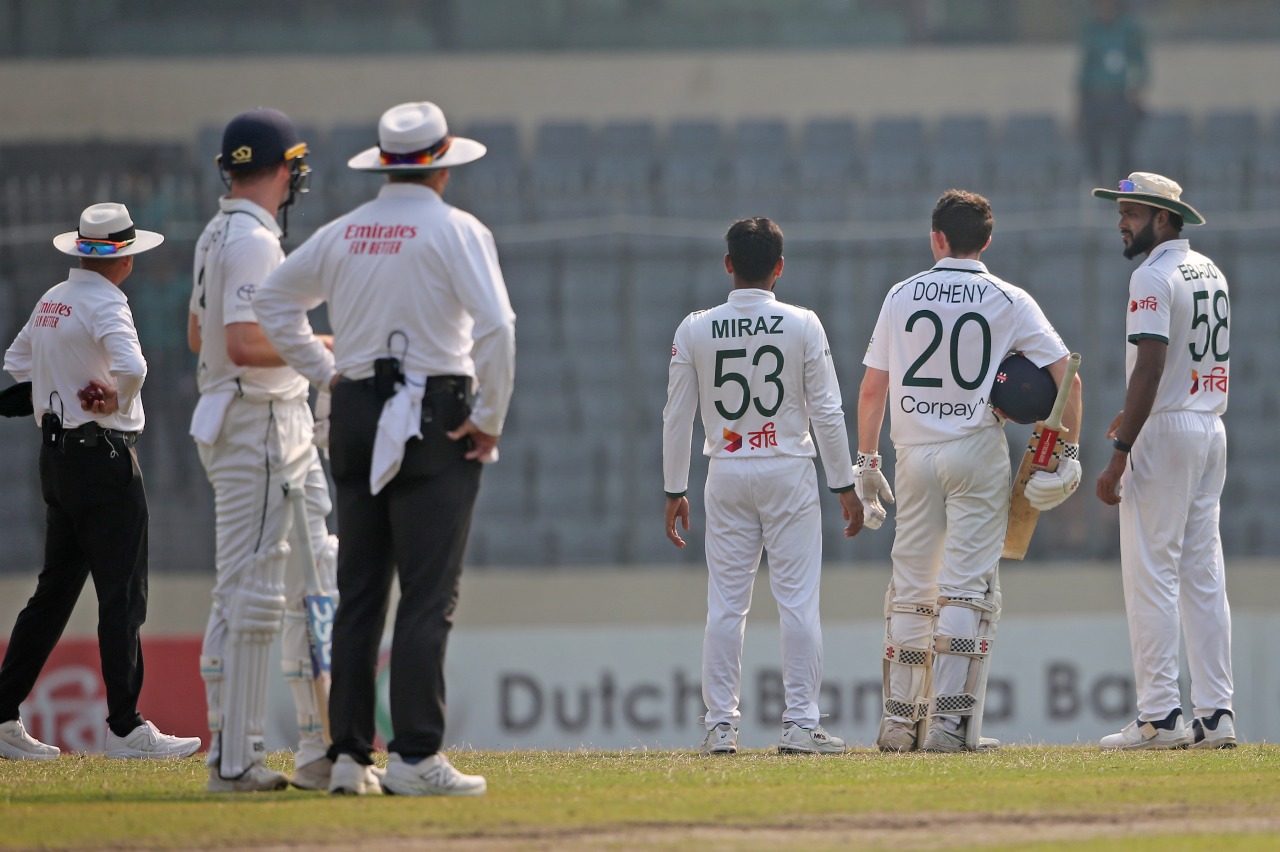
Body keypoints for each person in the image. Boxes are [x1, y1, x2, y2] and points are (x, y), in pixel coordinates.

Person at [254, 101, 515, 796]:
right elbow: (497, 329)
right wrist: (489, 417)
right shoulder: (457, 230)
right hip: (434, 411)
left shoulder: (345, 231)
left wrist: (322, 370)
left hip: (356, 408)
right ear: (441, 167)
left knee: (360, 590)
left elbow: (275, 301)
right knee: (429, 594)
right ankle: (415, 755)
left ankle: (346, 755)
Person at [856, 189, 1083, 753]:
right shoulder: (1009, 297)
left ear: (936, 238)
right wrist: (1066, 454)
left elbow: (871, 389)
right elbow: (1068, 379)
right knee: (963, 592)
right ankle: (948, 727)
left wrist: (866, 463)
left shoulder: (901, 295)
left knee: (911, 590)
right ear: (986, 241)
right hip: (977, 447)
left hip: (912, 455)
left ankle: (899, 722)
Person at [0, 203, 201, 761]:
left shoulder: (52, 300)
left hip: (58, 462)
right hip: (104, 459)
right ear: (126, 258)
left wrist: (60, 385)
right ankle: (125, 727)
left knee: (53, 595)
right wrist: (116, 395)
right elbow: (134, 368)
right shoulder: (108, 302)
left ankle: (1, 711)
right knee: (122, 596)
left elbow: (17, 362)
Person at [663, 216, 863, 757]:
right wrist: (844, 483)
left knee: (727, 606)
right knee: (797, 603)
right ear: (779, 267)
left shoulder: (694, 327)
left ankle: (719, 727)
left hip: (725, 467)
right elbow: (826, 410)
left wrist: (673, 488)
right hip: (787, 467)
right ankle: (800, 725)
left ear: (728, 264)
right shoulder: (802, 324)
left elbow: (676, 417)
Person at [188, 108, 339, 792]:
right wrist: (325, 348)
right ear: (283, 170)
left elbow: (201, 336)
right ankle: (235, 757)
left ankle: (321, 745)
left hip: (270, 420)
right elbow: (244, 344)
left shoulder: (219, 232)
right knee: (252, 590)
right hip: (259, 422)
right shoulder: (250, 240)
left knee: (313, 578)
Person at [1092, 173, 1235, 750]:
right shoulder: (1212, 272)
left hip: (1166, 432)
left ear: (1165, 218)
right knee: (1203, 573)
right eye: (1122, 210)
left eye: (1132, 211)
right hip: (1209, 426)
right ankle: (1216, 714)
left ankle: (1159, 717)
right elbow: (1165, 370)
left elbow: (1150, 366)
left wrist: (1120, 452)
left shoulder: (1150, 275)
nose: (1122, 221)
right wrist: (1132, 419)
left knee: (1151, 571)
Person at [1077, 0, 1149, 184]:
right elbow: (1085, 69)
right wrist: (1080, 104)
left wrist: (1137, 90)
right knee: (1091, 148)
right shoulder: (1091, 29)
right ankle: (1097, 184)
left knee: (1125, 151)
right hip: (1095, 98)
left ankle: (1125, 189)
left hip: (1121, 97)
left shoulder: (1129, 28)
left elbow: (1140, 63)